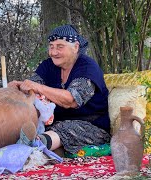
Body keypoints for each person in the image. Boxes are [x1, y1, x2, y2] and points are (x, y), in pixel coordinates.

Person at [9, 24, 111, 155]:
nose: (53, 52)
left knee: (64, 129)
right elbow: (32, 88)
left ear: (76, 47)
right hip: (54, 123)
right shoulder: (48, 66)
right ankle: (30, 144)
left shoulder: (88, 67)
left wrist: (38, 87)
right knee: (34, 124)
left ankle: (33, 146)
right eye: (51, 47)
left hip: (92, 127)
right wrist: (19, 87)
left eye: (59, 47)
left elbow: (71, 100)